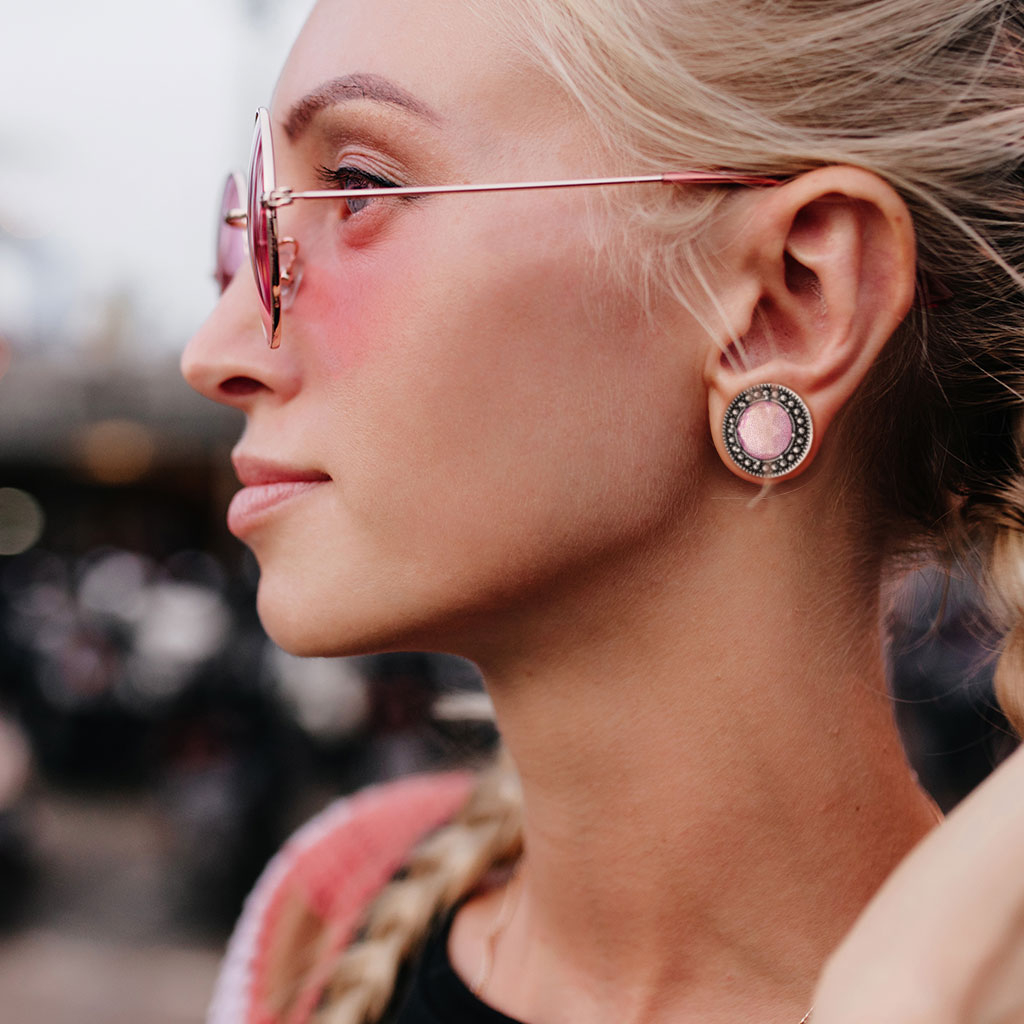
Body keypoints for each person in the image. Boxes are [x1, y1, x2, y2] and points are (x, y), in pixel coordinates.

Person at [181, 0, 1024, 1021]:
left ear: (788, 304)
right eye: (252, 223)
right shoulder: (323, 912)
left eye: (359, 187)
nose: (214, 350)